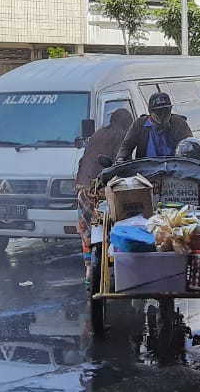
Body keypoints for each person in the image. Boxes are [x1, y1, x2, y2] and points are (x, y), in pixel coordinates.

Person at [74, 107, 134, 277]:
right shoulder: (121, 135)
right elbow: (120, 165)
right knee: (111, 227)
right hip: (101, 191)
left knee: (86, 230)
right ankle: (113, 269)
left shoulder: (98, 134)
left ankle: (88, 270)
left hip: (82, 189)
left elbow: (83, 161)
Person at [115, 92, 192, 161]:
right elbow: (127, 145)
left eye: (166, 110)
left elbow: (190, 144)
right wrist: (120, 158)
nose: (162, 114)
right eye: (158, 112)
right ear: (150, 111)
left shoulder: (179, 123)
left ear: (171, 109)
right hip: (147, 172)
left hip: (176, 171)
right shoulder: (139, 124)